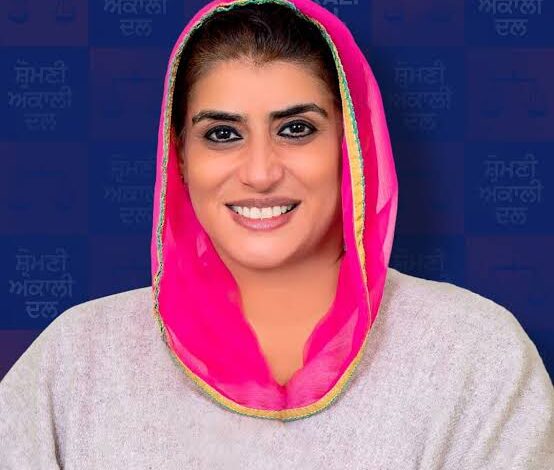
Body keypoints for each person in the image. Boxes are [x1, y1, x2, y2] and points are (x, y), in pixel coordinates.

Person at [1, 0, 553, 468]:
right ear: (180, 157)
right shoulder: (75, 362)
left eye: (296, 129)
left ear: (353, 145)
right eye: (222, 134)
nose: (260, 172)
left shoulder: (474, 357)